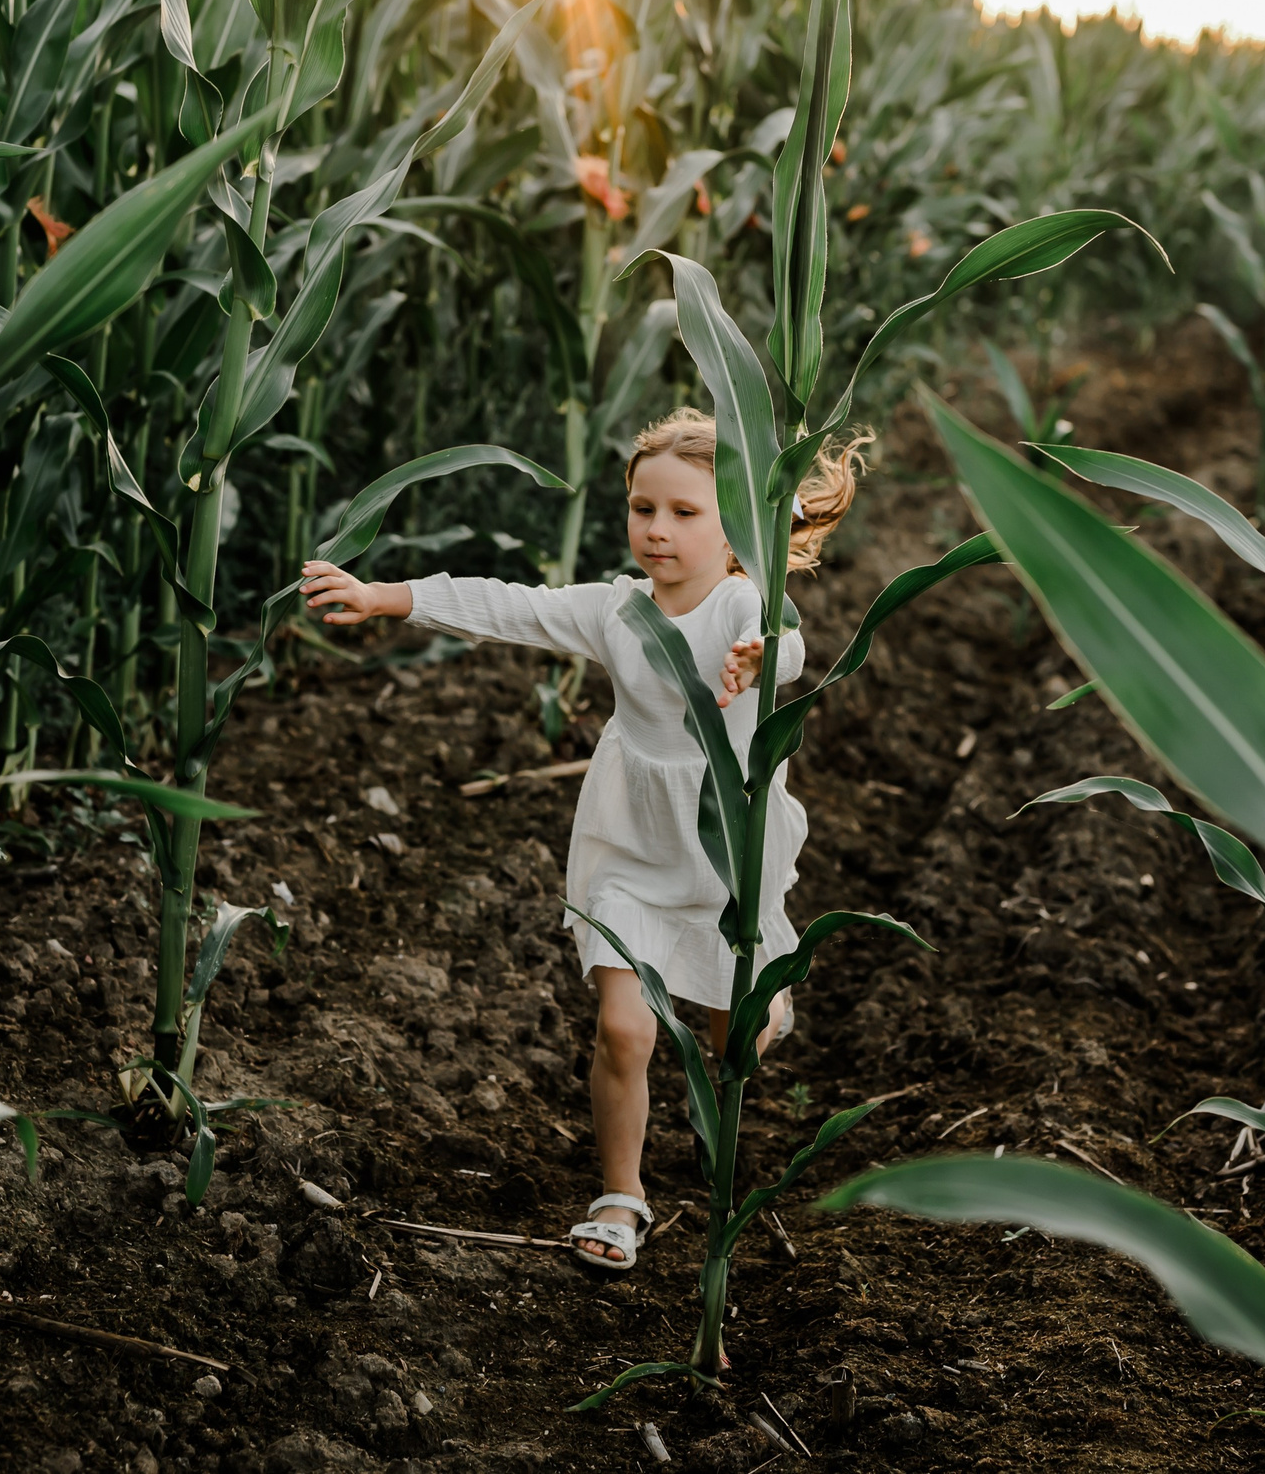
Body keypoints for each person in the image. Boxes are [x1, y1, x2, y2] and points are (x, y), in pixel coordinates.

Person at [297, 406, 868, 1272]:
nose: (658, 529)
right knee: (624, 1029)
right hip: (629, 848)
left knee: (734, 1043)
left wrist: (759, 656)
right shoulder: (616, 610)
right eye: (645, 508)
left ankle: (760, 1011)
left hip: (722, 857)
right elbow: (512, 605)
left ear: (737, 524)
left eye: (685, 512)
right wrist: (388, 597)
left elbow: (782, 644)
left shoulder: (742, 602)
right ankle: (621, 1195)